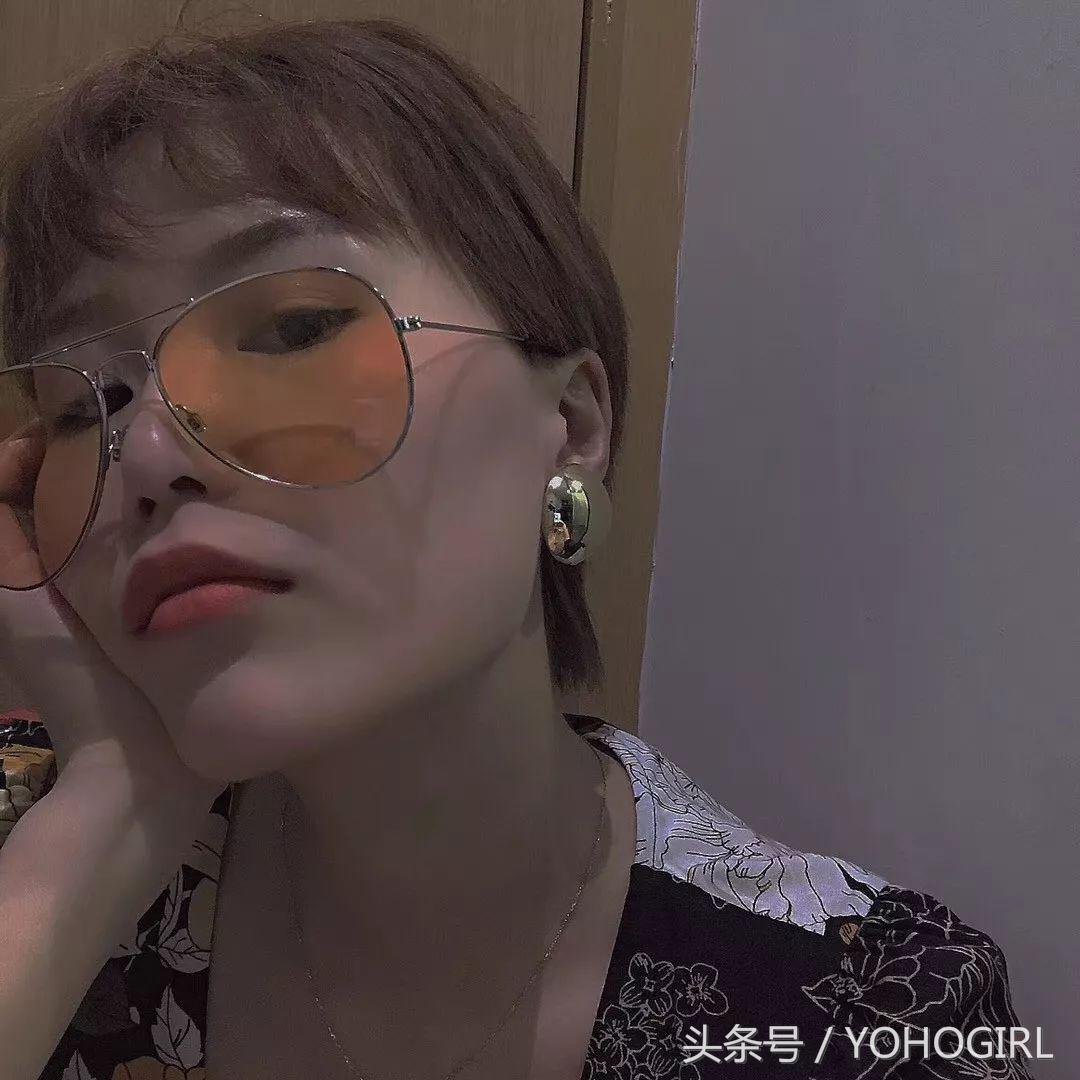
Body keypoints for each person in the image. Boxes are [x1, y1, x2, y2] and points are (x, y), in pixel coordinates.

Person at [0, 18, 1034, 1080]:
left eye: (293, 329)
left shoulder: (874, 1014)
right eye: (89, 403)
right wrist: (105, 822)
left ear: (571, 425)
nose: (146, 452)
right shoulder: (26, 842)